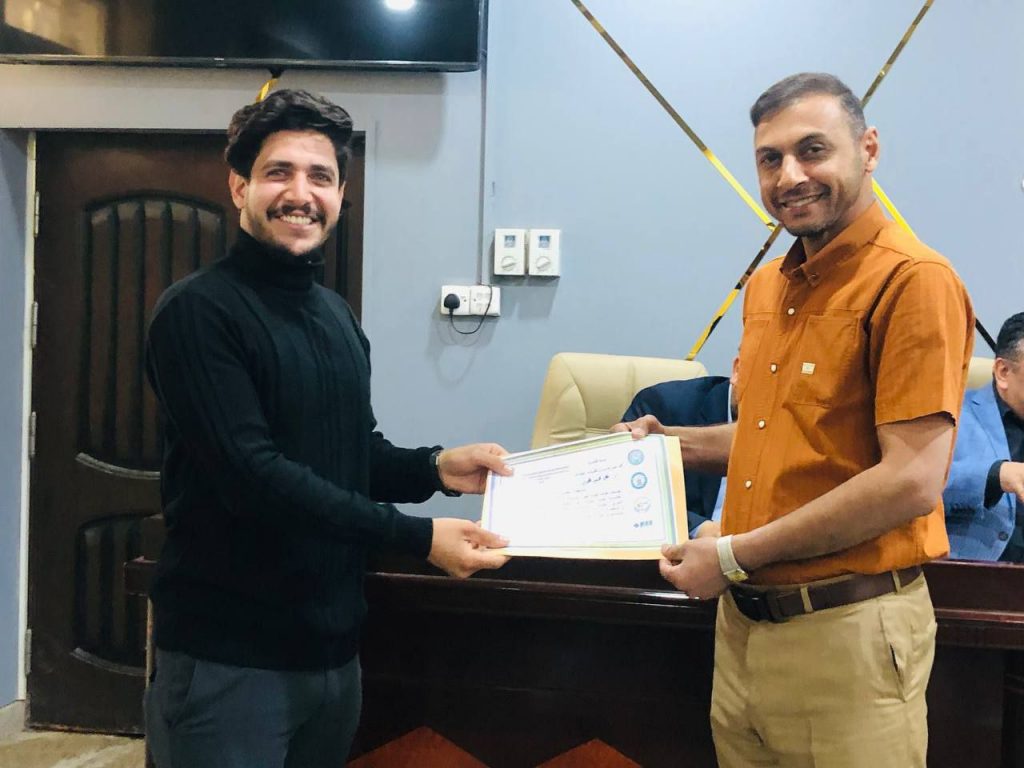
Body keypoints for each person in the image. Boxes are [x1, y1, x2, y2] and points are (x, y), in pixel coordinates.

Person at [143, 89, 512, 768]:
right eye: (278, 172)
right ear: (239, 187)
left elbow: (350, 452)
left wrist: (435, 468)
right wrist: (417, 537)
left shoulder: (335, 316)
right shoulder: (196, 313)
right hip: (229, 661)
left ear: (342, 194)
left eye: (320, 176)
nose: (300, 193)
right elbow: (255, 478)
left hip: (333, 656)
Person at [616, 73, 973, 767]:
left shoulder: (913, 280)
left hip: (848, 634)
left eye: (813, 150)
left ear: (868, 149)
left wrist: (732, 555)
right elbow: (775, 439)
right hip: (743, 630)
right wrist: (669, 445)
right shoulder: (766, 287)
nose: (790, 176)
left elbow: (910, 480)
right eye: (770, 159)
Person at [621, 357, 739, 538]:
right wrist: (698, 528)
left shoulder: (786, 430)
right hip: (678, 549)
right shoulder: (663, 405)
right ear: (738, 370)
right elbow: (627, 496)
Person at [944, 312, 1024, 561]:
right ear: (1003, 371)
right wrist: (995, 477)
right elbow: (915, 488)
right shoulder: (953, 416)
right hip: (971, 576)